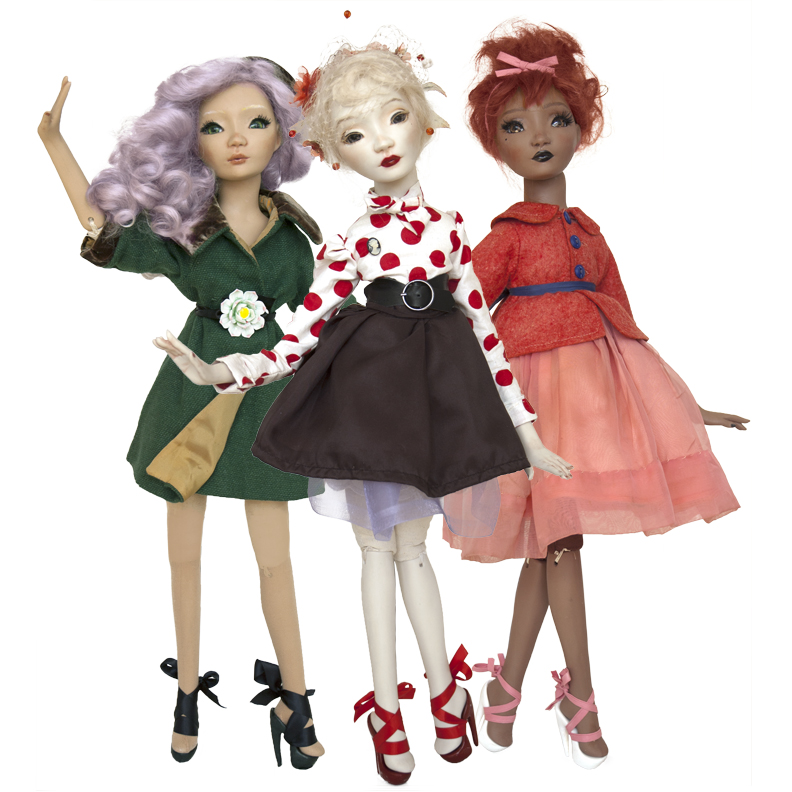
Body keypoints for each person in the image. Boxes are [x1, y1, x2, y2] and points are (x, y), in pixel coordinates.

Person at [155, 29, 572, 785]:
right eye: (353, 133)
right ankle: (387, 707)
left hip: (432, 405)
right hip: (367, 405)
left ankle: (442, 693)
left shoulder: (451, 230)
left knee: (413, 551)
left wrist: (528, 432)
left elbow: (486, 333)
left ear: (424, 120)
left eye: (394, 117)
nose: (380, 141)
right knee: (378, 553)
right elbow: (298, 338)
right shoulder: (349, 243)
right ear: (333, 154)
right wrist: (222, 368)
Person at [442, 21, 747, 770]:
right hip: (529, 408)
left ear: (581, 126)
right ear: (494, 144)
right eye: (516, 126)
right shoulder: (507, 236)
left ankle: (507, 687)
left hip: (592, 410)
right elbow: (461, 313)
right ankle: (581, 696)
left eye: (556, 119)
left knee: (551, 547)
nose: (540, 137)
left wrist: (686, 407)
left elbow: (628, 328)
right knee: (560, 546)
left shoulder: (591, 234)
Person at [38, 57, 326, 768]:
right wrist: (54, 143)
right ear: (189, 140)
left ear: (284, 133)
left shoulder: (296, 237)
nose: (237, 139)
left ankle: (296, 696)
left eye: (255, 122)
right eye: (215, 127)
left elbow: (316, 321)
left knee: (276, 560)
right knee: (184, 556)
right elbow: (101, 229)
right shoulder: (184, 227)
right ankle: (188, 691)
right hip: (190, 397)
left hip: (266, 396)